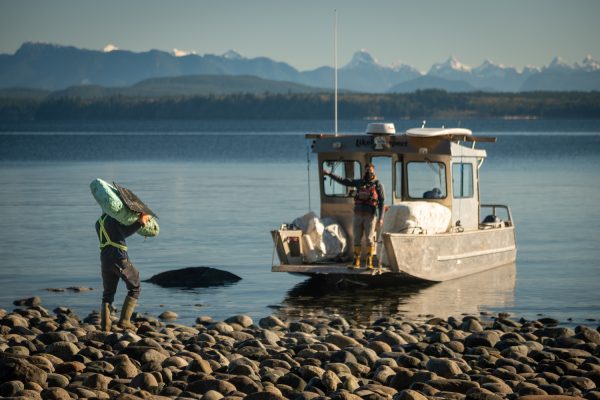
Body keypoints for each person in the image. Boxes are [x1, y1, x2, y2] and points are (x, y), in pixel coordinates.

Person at [324, 163, 385, 269]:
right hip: (357, 216)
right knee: (357, 238)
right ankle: (356, 262)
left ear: (374, 172)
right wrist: (329, 174)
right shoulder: (359, 182)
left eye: (370, 171)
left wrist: (381, 217)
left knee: (369, 239)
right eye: (367, 170)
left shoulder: (377, 184)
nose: (368, 173)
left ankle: (369, 263)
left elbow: (382, 202)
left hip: (370, 216)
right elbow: (344, 181)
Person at [96, 212, 150, 331]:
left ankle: (105, 326)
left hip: (105, 260)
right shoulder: (114, 219)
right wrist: (140, 222)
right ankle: (125, 321)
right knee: (135, 287)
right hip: (119, 258)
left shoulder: (98, 222)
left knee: (108, 294)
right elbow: (124, 233)